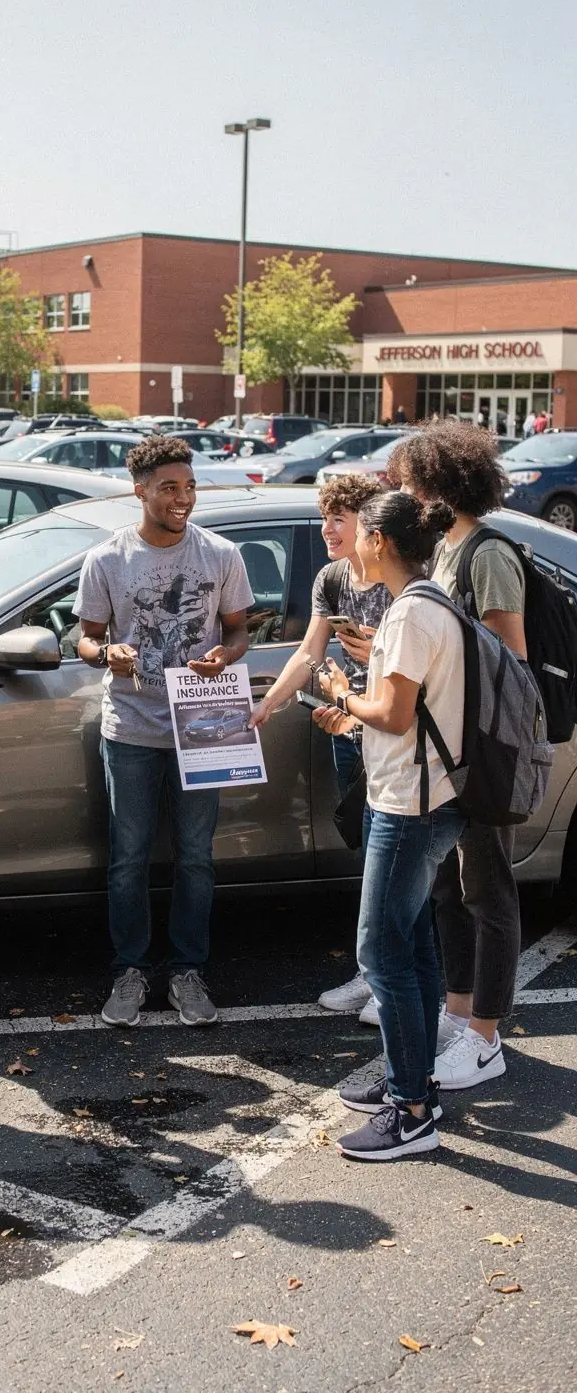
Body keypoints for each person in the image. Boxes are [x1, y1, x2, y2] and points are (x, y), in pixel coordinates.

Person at [74, 436, 252, 1028]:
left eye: (190, 487)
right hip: (131, 727)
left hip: (204, 721)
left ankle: (187, 971)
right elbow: (85, 639)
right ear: (140, 490)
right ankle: (129, 970)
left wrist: (225, 658)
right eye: (169, 488)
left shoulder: (222, 555)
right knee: (127, 856)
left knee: (196, 857)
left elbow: (238, 633)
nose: (183, 498)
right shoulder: (107, 559)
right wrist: (108, 654)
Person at [315, 491, 467, 1160]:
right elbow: (410, 709)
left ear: (379, 539)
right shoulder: (431, 602)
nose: (351, 548)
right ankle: (416, 1082)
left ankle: (411, 1113)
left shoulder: (408, 614)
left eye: (360, 538)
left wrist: (342, 695)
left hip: (409, 804)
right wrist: (355, 712)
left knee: (381, 952)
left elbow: (398, 715)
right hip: (429, 792)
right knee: (413, 946)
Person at [388, 425, 525, 1090]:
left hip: (483, 753)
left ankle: (487, 1037)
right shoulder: (443, 552)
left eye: (413, 484)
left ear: (444, 485)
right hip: (445, 749)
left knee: (489, 890)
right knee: (448, 885)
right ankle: (458, 1010)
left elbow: (511, 663)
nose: (407, 496)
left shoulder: (486, 555)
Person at [249, 474, 388, 1025]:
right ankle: (372, 972)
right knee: (369, 856)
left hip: (393, 732)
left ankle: (390, 982)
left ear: (370, 526)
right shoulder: (332, 579)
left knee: (393, 861)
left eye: (340, 518)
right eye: (326, 516)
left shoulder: (399, 579)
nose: (328, 528)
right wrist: (269, 705)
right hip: (348, 734)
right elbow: (310, 652)